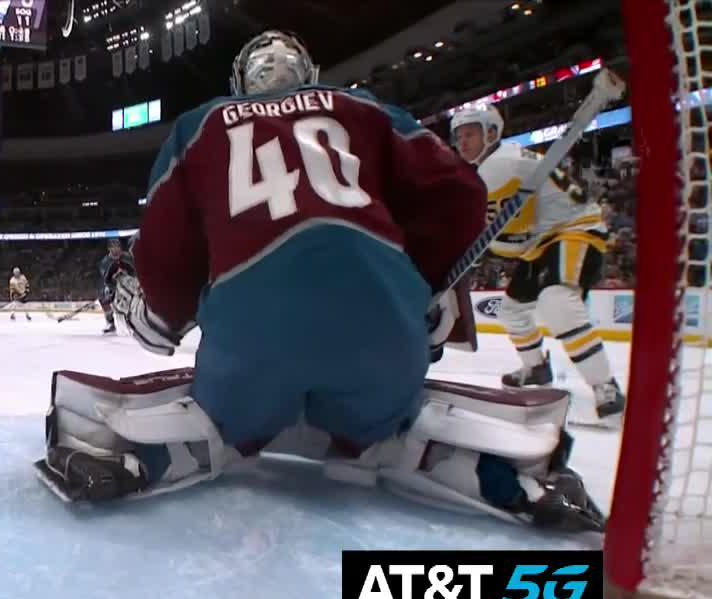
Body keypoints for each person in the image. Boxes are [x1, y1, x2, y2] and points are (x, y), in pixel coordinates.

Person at [34, 30, 604, 532]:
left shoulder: (200, 125)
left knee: (222, 419)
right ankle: (503, 473)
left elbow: (163, 252)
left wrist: (162, 319)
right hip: (382, 345)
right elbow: (460, 194)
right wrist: (421, 290)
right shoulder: (364, 108)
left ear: (240, 82)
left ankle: (136, 454)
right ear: (310, 76)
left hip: (254, 345)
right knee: (387, 422)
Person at [451, 106, 625, 423]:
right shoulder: (497, 161)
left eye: (470, 134)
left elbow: (508, 237)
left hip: (574, 230)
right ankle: (536, 367)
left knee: (557, 302)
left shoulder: (498, 167)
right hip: (541, 240)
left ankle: (606, 387)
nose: (462, 143)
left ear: (491, 132)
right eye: (458, 136)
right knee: (512, 311)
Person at [98, 237, 136, 335]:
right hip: (114, 285)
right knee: (103, 297)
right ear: (109, 249)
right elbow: (106, 279)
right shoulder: (105, 262)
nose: (116, 249)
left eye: (117, 247)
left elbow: (135, 272)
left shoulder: (127, 257)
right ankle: (110, 322)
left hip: (129, 284)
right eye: (113, 247)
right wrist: (112, 286)